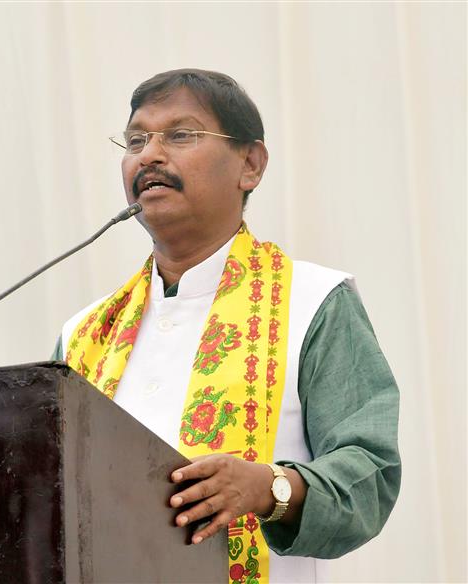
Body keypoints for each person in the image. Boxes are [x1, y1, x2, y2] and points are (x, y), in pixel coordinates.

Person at [52, 69, 400, 583]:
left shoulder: (313, 301)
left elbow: (369, 480)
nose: (149, 155)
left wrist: (270, 488)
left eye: (180, 135)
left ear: (251, 164)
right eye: (135, 140)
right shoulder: (84, 335)